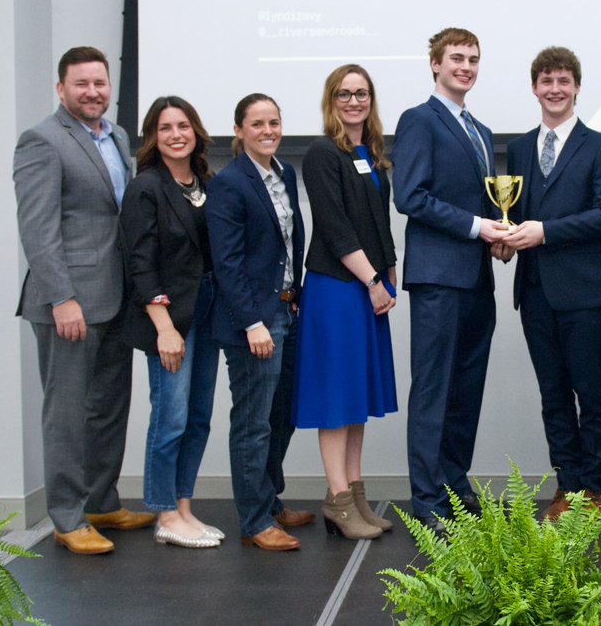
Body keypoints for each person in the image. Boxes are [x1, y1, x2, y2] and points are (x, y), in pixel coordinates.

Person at [14, 46, 152, 555]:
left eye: (100, 83)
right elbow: (38, 230)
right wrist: (62, 298)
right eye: (81, 84)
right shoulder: (42, 141)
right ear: (61, 89)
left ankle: (100, 501)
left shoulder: (115, 136)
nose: (93, 92)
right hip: (68, 304)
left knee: (109, 407)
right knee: (67, 412)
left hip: (116, 299)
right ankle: (68, 516)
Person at [392, 27, 509, 530]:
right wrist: (478, 226)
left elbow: (484, 202)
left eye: (474, 59)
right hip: (438, 278)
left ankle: (455, 487)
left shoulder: (480, 131)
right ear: (435, 65)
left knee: (466, 390)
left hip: (477, 277)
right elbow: (410, 197)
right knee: (434, 389)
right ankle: (428, 503)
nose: (466, 66)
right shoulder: (418, 120)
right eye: (456, 58)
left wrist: (499, 233)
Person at [501, 47, 601, 520]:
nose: (555, 89)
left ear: (576, 87)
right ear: (534, 88)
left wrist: (545, 232)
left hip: (585, 293)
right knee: (553, 395)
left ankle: (594, 489)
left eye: (564, 81)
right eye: (546, 80)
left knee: (591, 393)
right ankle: (566, 486)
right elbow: (509, 210)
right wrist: (505, 237)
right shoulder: (517, 148)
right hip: (534, 292)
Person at [294, 64, 398, 540]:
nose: (354, 101)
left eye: (362, 93)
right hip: (338, 288)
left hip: (369, 285)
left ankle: (355, 493)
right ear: (330, 100)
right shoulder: (322, 153)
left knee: (356, 396)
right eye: (344, 93)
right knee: (336, 398)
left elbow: (380, 221)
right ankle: (337, 499)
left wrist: (390, 273)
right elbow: (335, 227)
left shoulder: (371, 153)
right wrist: (374, 278)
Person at [206, 93, 314, 551]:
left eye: (274, 122)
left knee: (281, 415)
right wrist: (252, 323)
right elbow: (227, 263)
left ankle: (270, 501)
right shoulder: (229, 183)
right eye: (257, 124)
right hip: (254, 323)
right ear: (239, 131)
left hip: (288, 310)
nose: (268, 130)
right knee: (252, 422)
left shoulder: (284, 174)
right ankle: (254, 522)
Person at [119, 96, 222, 548]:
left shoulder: (206, 183)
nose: (176, 134)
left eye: (183, 125)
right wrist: (164, 328)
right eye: (165, 128)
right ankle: (163, 512)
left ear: (195, 130)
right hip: (170, 321)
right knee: (171, 418)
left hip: (207, 314)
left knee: (198, 418)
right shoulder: (146, 187)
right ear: (152, 137)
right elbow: (140, 264)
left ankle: (183, 508)